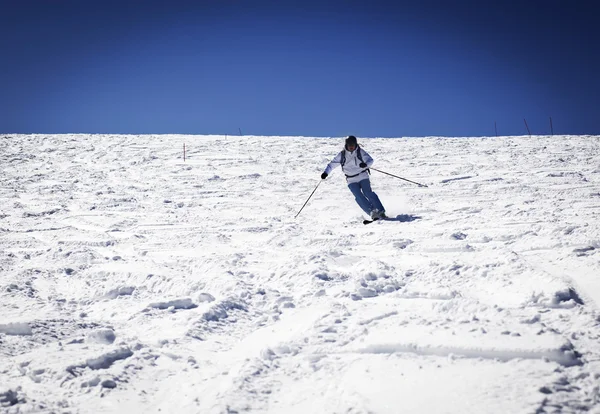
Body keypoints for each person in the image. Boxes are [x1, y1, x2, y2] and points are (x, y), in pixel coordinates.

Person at [321, 135, 386, 219]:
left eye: (353, 144)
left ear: (356, 144)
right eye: (349, 145)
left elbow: (370, 160)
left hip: (362, 176)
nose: (351, 146)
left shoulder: (360, 152)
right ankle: (372, 212)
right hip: (351, 179)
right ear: (346, 145)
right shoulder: (342, 154)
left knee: (368, 193)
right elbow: (332, 164)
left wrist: (365, 165)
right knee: (358, 196)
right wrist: (326, 173)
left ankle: (380, 211)